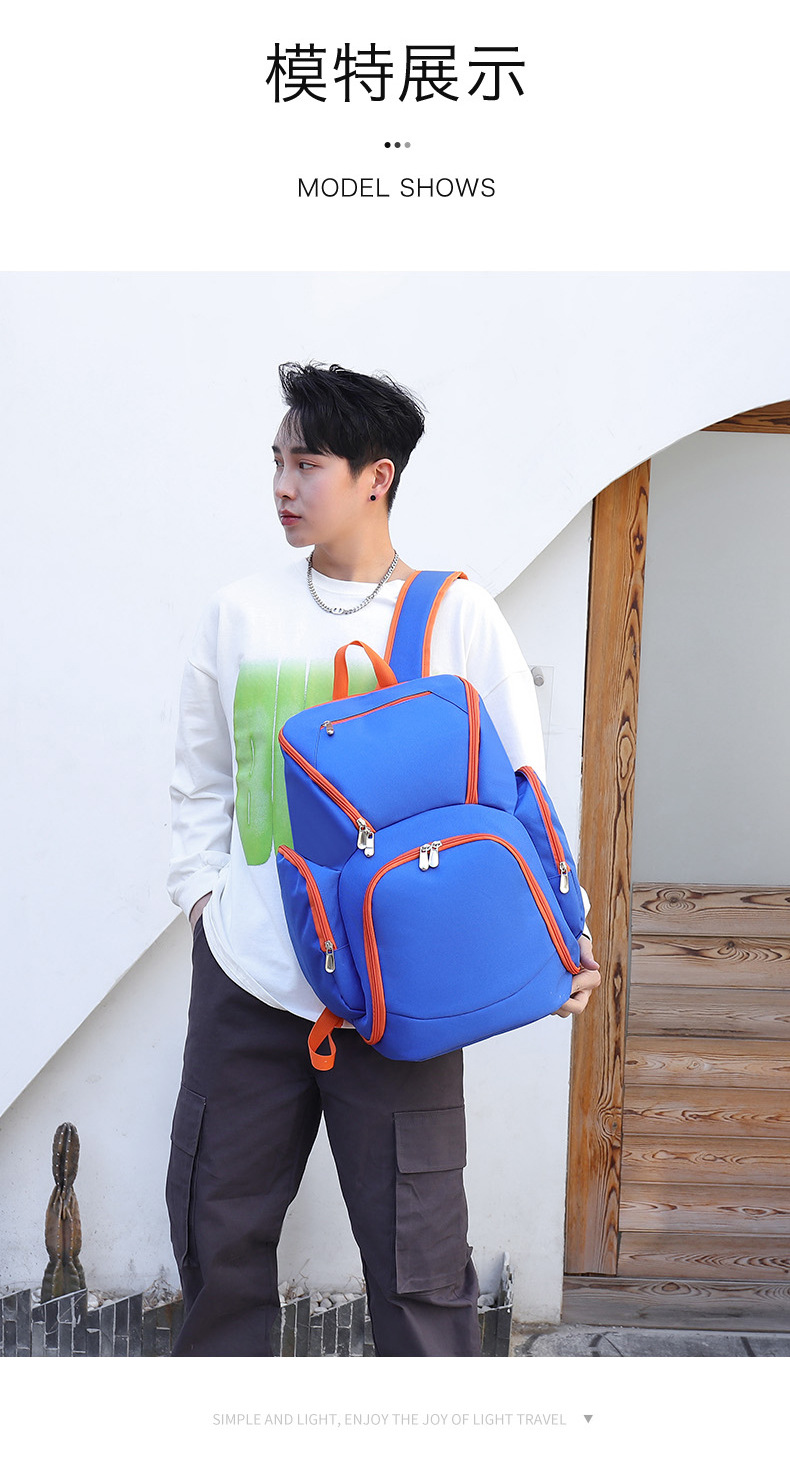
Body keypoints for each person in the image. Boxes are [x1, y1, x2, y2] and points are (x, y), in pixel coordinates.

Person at [165, 361, 601, 1358]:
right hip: (249, 978)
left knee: (420, 1269)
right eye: (277, 461)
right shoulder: (237, 613)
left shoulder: (455, 617)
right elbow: (200, 782)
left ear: (377, 477)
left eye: (307, 464)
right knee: (216, 1241)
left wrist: (560, 937)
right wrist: (203, 904)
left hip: (401, 987)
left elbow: (520, 795)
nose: (282, 485)